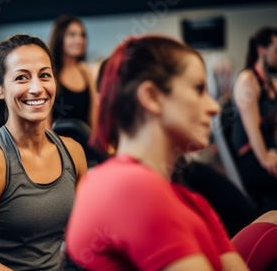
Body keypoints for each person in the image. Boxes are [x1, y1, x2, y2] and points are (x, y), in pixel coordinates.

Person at [65, 35, 277, 270]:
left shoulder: (191, 201)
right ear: (152, 97)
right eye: (198, 89)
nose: (214, 107)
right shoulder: (130, 187)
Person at [0, 34, 86, 270]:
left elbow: (82, 235)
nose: (37, 88)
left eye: (44, 75)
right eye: (22, 78)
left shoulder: (73, 152)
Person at [231, 27, 277, 211]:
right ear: (261, 50)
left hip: (267, 150)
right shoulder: (247, 81)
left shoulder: (271, 84)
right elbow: (253, 130)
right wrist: (267, 159)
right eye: (276, 51)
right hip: (251, 158)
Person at [48, 15, 98, 129]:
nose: (79, 40)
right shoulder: (50, 72)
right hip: (59, 144)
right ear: (59, 37)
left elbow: (94, 118)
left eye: (82, 35)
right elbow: (46, 122)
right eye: (72, 35)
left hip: (84, 143)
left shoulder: (85, 71)